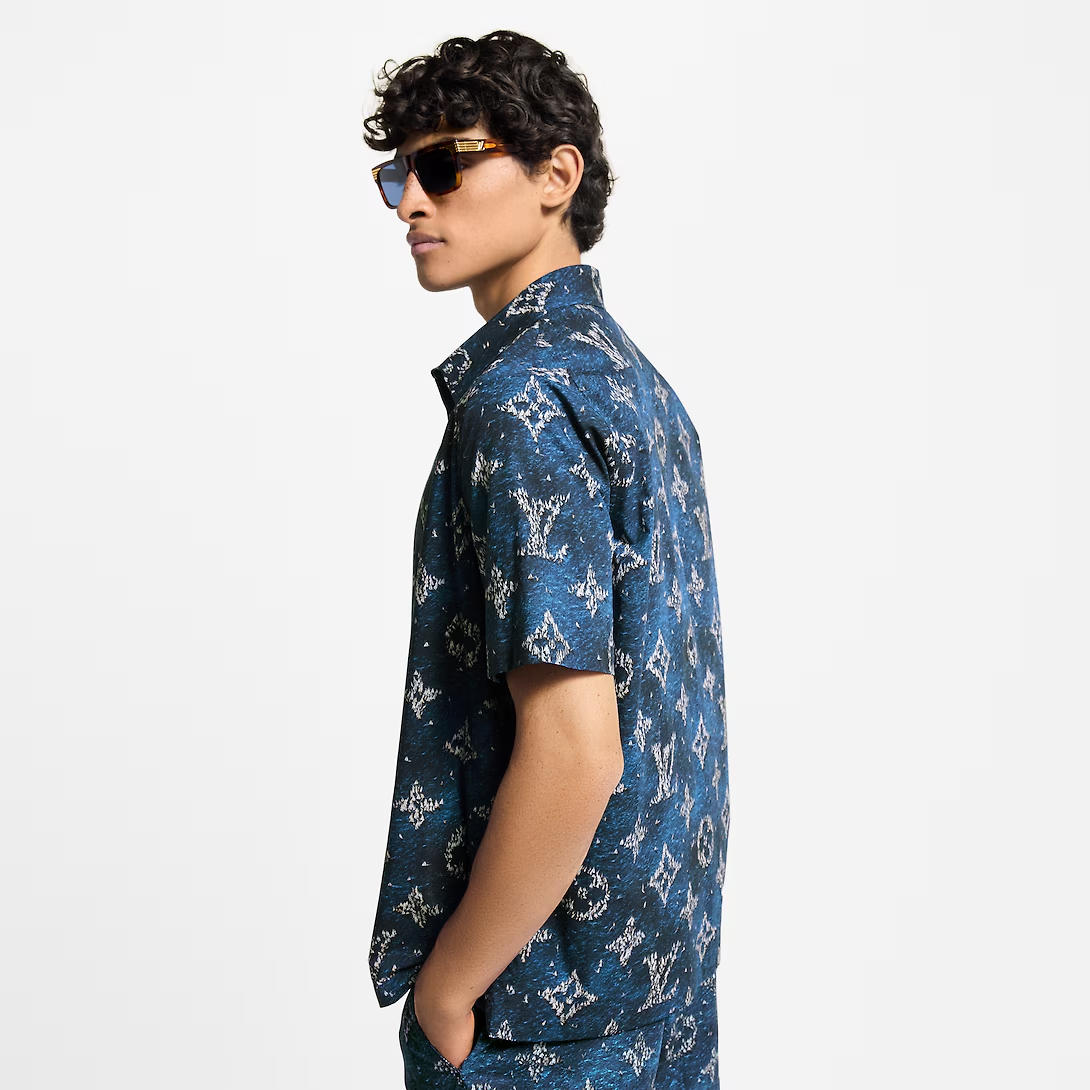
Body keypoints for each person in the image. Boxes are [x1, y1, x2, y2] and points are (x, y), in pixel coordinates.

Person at [363, 30, 729, 1089]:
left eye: (444, 166)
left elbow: (577, 746)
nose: (409, 202)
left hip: (536, 1020)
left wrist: (448, 988)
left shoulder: (521, 400)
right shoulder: (636, 385)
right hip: (661, 994)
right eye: (397, 175)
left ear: (555, 175)